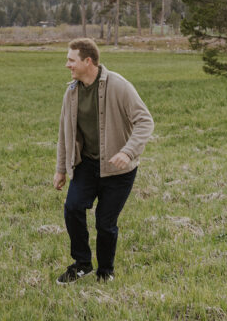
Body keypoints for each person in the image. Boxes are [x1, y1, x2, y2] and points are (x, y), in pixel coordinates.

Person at [53, 38, 154, 284]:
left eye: (71, 60)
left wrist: (127, 152)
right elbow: (65, 131)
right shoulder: (72, 91)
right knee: (73, 208)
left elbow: (145, 121)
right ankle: (82, 264)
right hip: (87, 164)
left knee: (105, 222)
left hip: (119, 170)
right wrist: (61, 169)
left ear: (88, 61)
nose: (67, 65)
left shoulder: (119, 86)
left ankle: (106, 272)